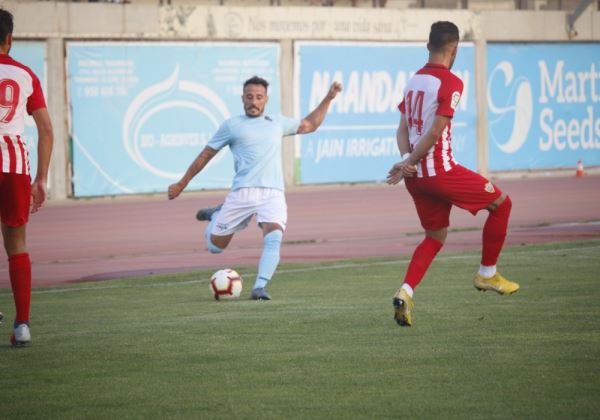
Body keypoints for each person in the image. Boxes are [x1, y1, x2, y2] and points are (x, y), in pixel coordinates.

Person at [386, 21, 518, 327]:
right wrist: (414, 160)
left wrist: (407, 161)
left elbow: (403, 128)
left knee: (435, 236)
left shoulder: (413, 81)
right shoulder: (452, 83)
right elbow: (434, 132)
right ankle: (487, 273)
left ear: (428, 46)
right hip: (439, 172)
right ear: (454, 49)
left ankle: (405, 292)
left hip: (415, 179)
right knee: (502, 203)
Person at [168, 76, 341, 300]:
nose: (254, 101)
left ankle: (259, 287)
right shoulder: (232, 125)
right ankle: (216, 215)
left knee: (274, 236)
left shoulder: (276, 122)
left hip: (273, 193)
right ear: (242, 98)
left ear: (266, 99)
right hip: (243, 192)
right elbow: (206, 155)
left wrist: (329, 98)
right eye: (249, 97)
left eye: (259, 97)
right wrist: (182, 183)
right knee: (216, 247)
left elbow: (310, 125)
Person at [0, 8, 54, 345]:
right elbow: (46, 129)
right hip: (14, 166)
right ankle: (22, 325)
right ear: (10, 39)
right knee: (17, 245)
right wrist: (42, 180)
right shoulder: (25, 75)